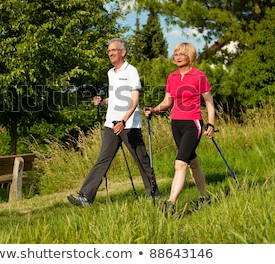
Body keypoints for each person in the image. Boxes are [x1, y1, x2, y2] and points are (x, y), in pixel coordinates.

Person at [67, 38, 161, 206]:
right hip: (111, 124)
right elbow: (117, 96)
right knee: (103, 160)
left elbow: (134, 100)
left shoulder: (131, 71)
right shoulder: (111, 73)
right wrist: (103, 102)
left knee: (142, 160)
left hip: (129, 125)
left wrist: (124, 121)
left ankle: (154, 195)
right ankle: (86, 197)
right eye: (108, 51)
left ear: (123, 52)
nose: (110, 53)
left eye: (113, 50)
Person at [144, 42, 215, 210]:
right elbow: (168, 101)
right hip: (176, 123)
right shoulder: (172, 77)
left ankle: (170, 203)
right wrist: (154, 110)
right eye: (175, 54)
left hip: (193, 123)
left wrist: (211, 123)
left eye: (181, 54)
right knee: (193, 162)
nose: (177, 57)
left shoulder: (199, 76)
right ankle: (205, 198)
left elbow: (209, 102)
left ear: (190, 56)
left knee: (180, 163)